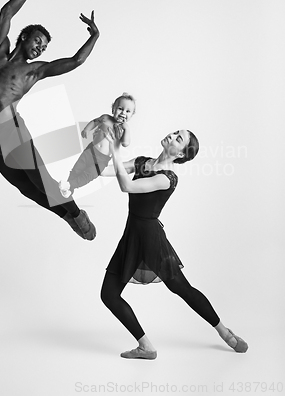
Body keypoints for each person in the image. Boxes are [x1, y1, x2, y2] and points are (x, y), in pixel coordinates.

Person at [100, 129, 248, 359]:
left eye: (178, 139)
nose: (171, 136)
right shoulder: (143, 162)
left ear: (180, 154)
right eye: (174, 133)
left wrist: (115, 149)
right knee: (109, 294)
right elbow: (107, 170)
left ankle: (225, 333)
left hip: (152, 241)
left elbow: (126, 186)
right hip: (131, 236)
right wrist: (100, 147)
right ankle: (146, 346)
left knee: (182, 289)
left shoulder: (167, 179)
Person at [0, 0, 100, 241]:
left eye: (44, 47)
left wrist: (94, 37)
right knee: (25, 188)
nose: (40, 48)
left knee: (42, 182)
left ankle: (77, 214)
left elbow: (76, 61)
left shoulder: (35, 71)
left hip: (10, 129)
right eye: (38, 41)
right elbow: (6, 12)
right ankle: (67, 216)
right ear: (24, 37)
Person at [59, 92, 136, 198]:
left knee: (89, 174)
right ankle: (68, 189)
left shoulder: (123, 128)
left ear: (131, 115)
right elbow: (95, 122)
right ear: (113, 109)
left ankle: (69, 185)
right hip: (90, 150)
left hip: (102, 159)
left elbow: (125, 143)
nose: (123, 112)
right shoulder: (105, 118)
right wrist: (87, 128)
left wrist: (126, 128)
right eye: (120, 108)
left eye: (128, 111)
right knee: (77, 168)